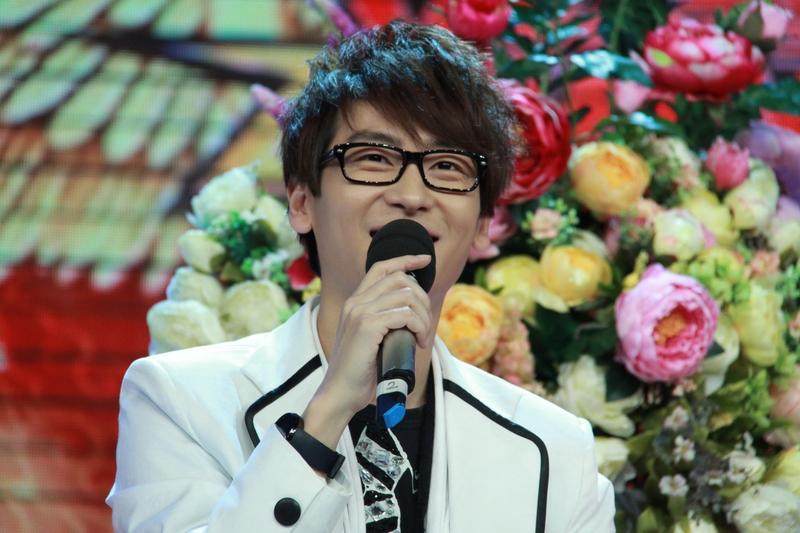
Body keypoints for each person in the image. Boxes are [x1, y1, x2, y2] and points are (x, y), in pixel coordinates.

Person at [107, 21, 615, 533]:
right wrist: (325, 417)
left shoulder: (556, 453)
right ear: (301, 202)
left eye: (447, 165)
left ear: (483, 224)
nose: (412, 195)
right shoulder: (181, 403)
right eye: (374, 158)